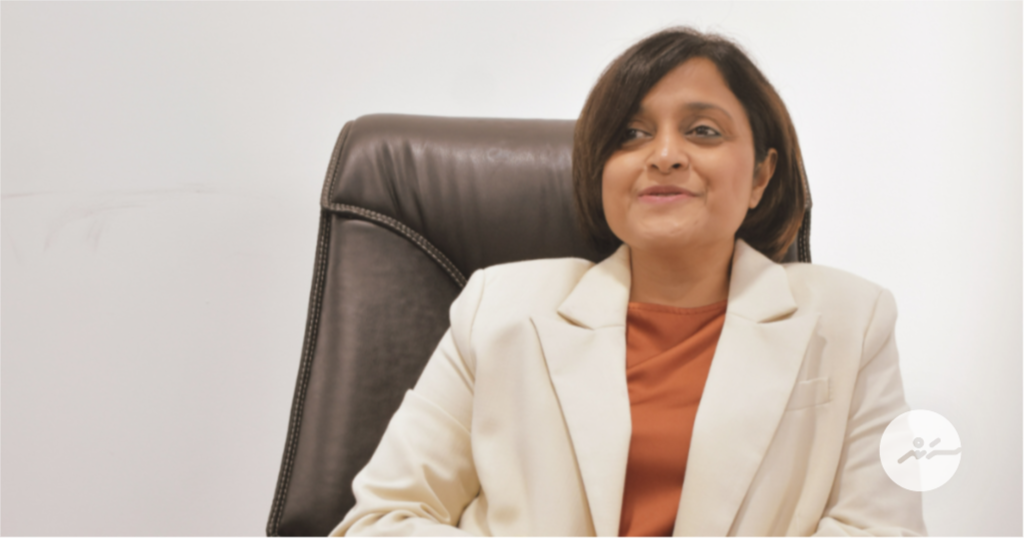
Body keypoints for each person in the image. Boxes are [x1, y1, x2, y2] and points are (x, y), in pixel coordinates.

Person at [330, 27, 926, 538]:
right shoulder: (497, 309)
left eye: (703, 131)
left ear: (761, 176)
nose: (664, 155)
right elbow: (380, 520)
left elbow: (883, 528)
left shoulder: (854, 319)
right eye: (631, 135)